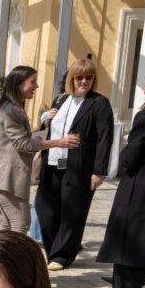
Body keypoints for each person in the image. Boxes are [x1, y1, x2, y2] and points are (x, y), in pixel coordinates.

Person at [35, 58, 114, 271]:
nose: (84, 81)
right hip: (52, 162)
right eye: (79, 77)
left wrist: (99, 171)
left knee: (73, 212)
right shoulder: (60, 100)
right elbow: (45, 132)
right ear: (72, 78)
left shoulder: (99, 103)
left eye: (89, 77)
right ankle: (54, 250)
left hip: (80, 167)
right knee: (44, 209)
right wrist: (45, 120)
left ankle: (62, 256)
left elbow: (105, 138)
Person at [96, 66, 145, 288]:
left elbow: (131, 156)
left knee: (127, 240)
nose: (144, 87)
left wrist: (124, 152)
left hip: (141, 186)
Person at [0, 66, 79, 233]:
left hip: (6, 176)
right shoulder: (11, 109)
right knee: (20, 224)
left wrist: (36, 138)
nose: (37, 86)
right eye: (32, 82)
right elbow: (22, 143)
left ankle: (0, 258)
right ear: (19, 84)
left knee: (6, 225)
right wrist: (58, 142)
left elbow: (16, 141)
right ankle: (12, 259)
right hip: (7, 177)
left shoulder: (13, 107)